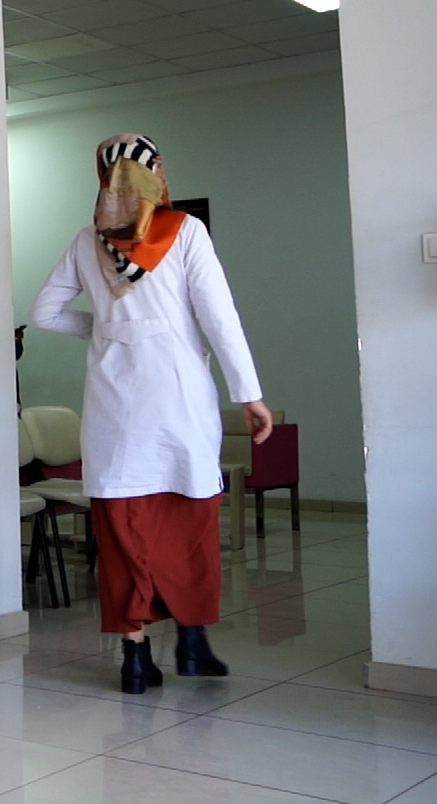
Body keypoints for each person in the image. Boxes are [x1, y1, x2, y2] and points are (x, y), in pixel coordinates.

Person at [30, 133, 272, 694]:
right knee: (189, 520)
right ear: (156, 174)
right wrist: (249, 394)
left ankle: (135, 657)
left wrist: (106, 328)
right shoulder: (186, 231)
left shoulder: (86, 241)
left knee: (123, 526)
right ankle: (192, 640)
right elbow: (220, 319)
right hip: (179, 402)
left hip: (114, 409)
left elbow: (43, 313)